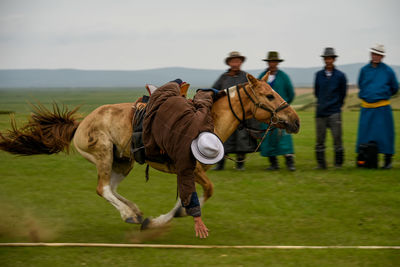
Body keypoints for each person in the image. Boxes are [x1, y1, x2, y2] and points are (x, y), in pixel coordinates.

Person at [143, 79, 224, 238]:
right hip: (157, 115)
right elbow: (186, 184)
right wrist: (197, 218)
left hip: (172, 98)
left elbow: (203, 97)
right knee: (150, 146)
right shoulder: (184, 156)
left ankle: (171, 85)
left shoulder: (204, 121)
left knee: (175, 83)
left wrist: (216, 92)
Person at [211, 51, 258, 170]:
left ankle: (240, 165)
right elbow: (214, 91)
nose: (235, 63)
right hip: (225, 115)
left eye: (238, 61)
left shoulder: (246, 77)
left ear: (241, 62)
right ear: (229, 63)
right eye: (233, 61)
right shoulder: (223, 77)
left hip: (242, 114)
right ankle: (220, 165)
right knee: (223, 139)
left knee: (241, 139)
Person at [356, 44, 399, 169]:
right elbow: (361, 85)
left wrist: (382, 95)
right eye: (374, 54)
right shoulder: (364, 70)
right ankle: (363, 160)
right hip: (367, 108)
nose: (375, 56)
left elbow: (395, 88)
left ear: (382, 56)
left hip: (382, 108)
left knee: (385, 135)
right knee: (365, 134)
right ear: (371, 54)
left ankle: (387, 161)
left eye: (378, 54)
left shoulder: (388, 71)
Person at [258, 51, 296, 171]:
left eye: (274, 61)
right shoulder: (262, 77)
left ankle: (290, 162)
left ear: (277, 63)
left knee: (284, 137)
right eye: (270, 61)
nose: (272, 64)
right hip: (267, 113)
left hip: (281, 113)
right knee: (269, 136)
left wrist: (284, 107)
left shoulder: (284, 77)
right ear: (268, 63)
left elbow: (291, 93)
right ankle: (273, 163)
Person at [314, 47, 348, 169]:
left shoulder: (340, 76)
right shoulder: (318, 75)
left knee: (337, 139)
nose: (328, 61)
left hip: (335, 112)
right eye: (326, 58)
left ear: (334, 59)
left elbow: (343, 93)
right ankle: (321, 164)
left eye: (330, 58)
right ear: (324, 60)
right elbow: (317, 93)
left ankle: (338, 164)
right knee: (319, 140)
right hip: (321, 112)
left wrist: (337, 105)